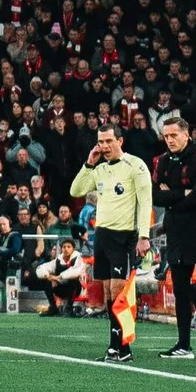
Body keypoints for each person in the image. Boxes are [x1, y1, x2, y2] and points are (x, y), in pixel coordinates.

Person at [69, 124, 153, 363]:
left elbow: (145, 202)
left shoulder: (135, 166)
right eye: (100, 142)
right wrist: (88, 163)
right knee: (107, 291)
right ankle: (114, 346)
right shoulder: (100, 169)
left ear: (120, 141)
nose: (104, 146)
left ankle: (124, 347)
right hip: (102, 237)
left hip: (124, 236)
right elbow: (76, 190)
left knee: (119, 291)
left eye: (108, 141)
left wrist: (144, 236)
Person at [152, 114, 196, 363]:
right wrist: (184, 193)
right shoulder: (162, 160)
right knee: (181, 292)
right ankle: (184, 344)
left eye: (174, 135)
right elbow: (155, 196)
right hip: (178, 234)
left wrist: (172, 196)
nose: (169, 140)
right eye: (166, 136)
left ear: (186, 134)